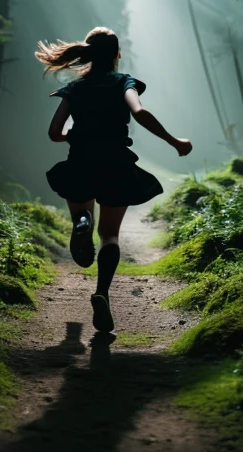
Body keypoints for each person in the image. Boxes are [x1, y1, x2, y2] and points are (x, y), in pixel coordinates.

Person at [35, 27, 192, 333]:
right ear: (118, 55)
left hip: (81, 161)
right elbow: (139, 112)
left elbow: (55, 133)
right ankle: (102, 293)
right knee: (110, 236)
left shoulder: (75, 88)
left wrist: (76, 134)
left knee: (84, 215)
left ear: (89, 55)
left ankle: (81, 224)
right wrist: (175, 141)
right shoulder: (124, 82)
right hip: (116, 165)